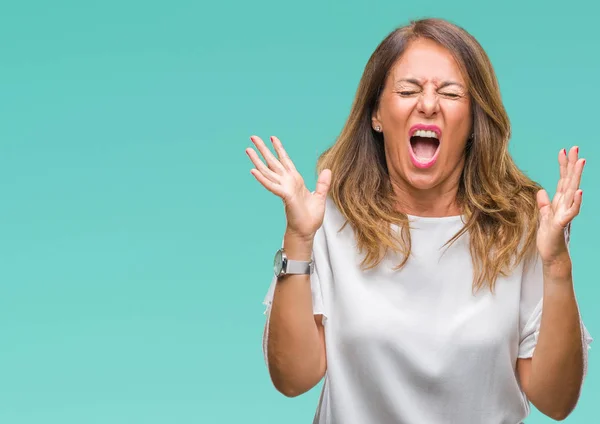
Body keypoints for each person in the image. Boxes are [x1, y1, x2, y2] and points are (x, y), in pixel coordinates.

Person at [246, 18, 593, 424]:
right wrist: (299, 239)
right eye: (408, 90)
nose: (428, 104)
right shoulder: (329, 219)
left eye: (449, 92)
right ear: (376, 114)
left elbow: (556, 401)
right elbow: (293, 378)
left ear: (473, 122)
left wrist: (556, 268)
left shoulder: (520, 229)